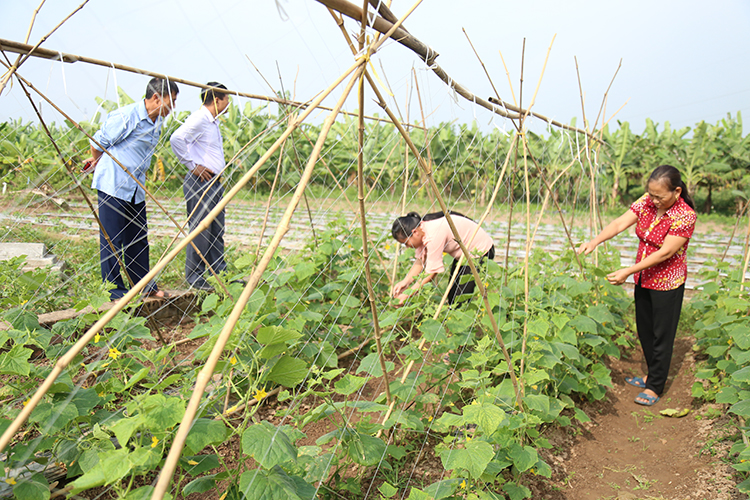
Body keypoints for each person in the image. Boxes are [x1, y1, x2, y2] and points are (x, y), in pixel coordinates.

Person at [577, 165, 697, 406]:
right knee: (645, 329)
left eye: (659, 196)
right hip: (644, 278)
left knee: (662, 335)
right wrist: (595, 241)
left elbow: (666, 253)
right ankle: (651, 374)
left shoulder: (685, 215)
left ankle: (655, 386)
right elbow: (620, 223)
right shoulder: (648, 202)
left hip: (667, 282)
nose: (654, 200)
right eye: (651, 194)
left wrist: (627, 271)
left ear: (676, 191)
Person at [87, 77, 179, 300]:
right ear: (156, 97)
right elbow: (97, 142)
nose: (173, 107)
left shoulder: (157, 121)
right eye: (171, 101)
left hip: (135, 188)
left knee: (138, 239)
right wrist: (98, 162)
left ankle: (144, 286)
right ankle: (114, 291)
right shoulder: (127, 116)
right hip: (114, 185)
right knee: (112, 240)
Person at [170, 82, 231, 291]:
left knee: (216, 228)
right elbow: (176, 138)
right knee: (200, 230)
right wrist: (192, 165)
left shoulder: (212, 122)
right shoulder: (199, 119)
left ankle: (219, 272)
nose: (228, 103)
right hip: (201, 182)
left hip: (214, 181)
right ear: (216, 100)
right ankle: (195, 277)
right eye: (226, 98)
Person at [391, 211, 495, 306]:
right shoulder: (423, 228)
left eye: (406, 243)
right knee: (453, 294)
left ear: (414, 232)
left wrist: (408, 294)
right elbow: (420, 261)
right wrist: (405, 282)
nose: (407, 246)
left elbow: (432, 271)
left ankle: (462, 322)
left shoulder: (433, 234)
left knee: (460, 298)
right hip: (463, 254)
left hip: (481, 251)